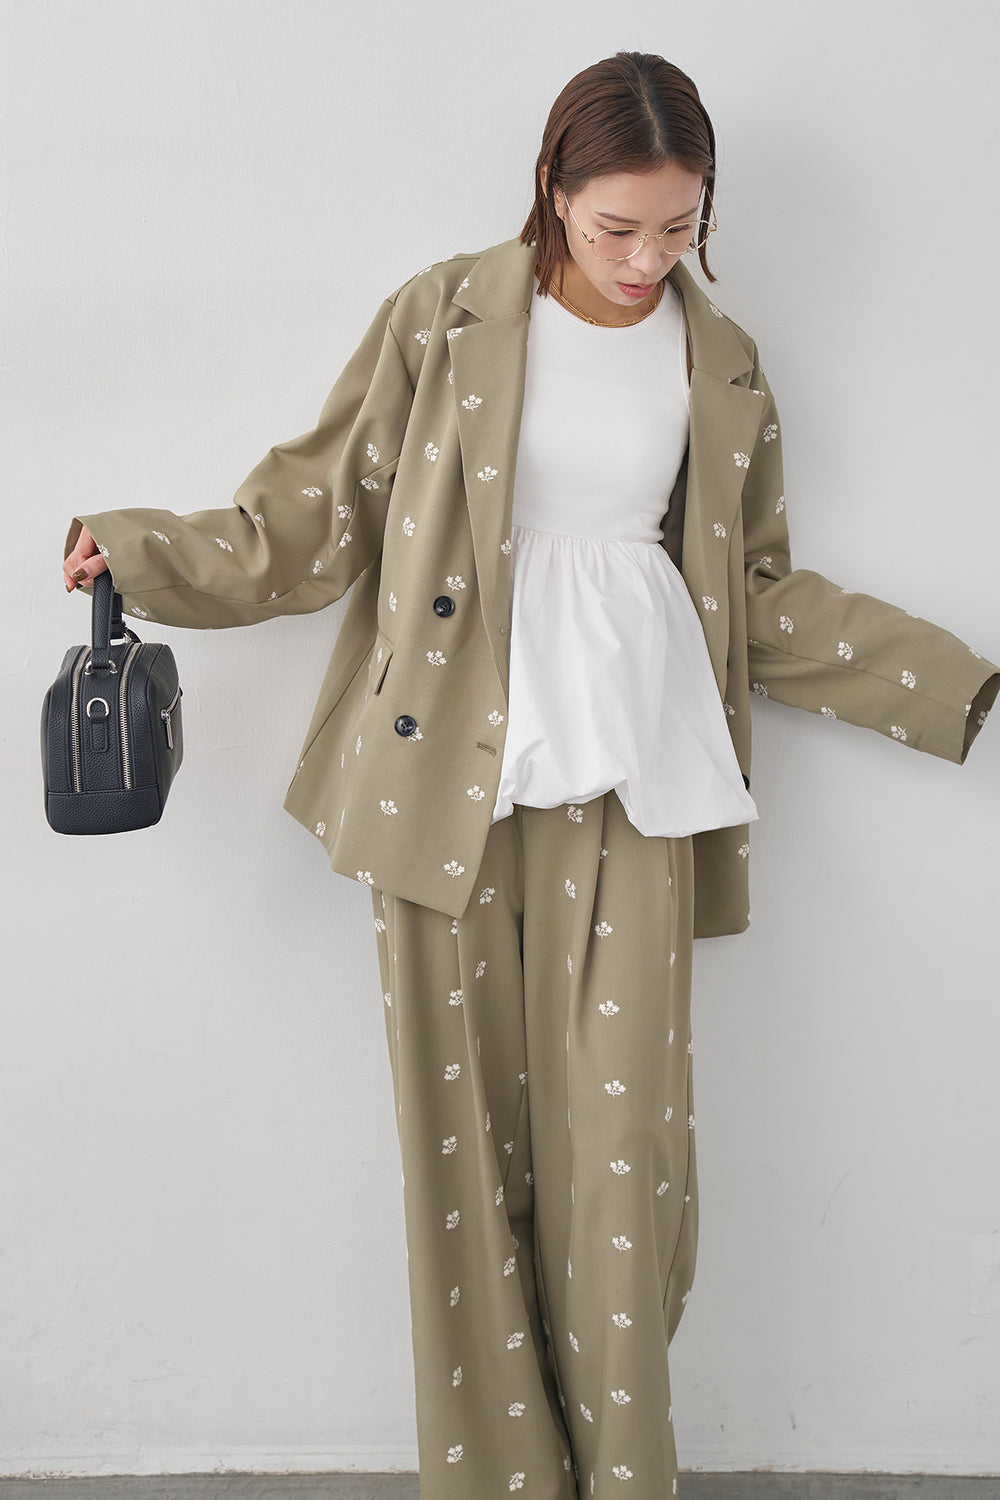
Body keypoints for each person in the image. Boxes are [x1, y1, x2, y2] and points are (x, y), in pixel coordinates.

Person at [61, 49, 998, 1500]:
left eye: (678, 226)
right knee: (464, 1166)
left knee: (625, 1161)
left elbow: (755, 596)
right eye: (616, 225)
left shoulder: (725, 366)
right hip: (441, 789)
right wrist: (143, 552)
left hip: (639, 780)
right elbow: (313, 518)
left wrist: (954, 682)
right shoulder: (443, 318)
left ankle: (623, 1475)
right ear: (553, 191)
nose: (645, 258)